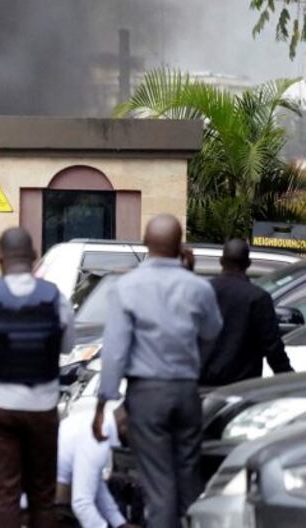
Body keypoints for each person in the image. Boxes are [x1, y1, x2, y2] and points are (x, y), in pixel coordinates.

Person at [94, 214, 222, 528]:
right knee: (188, 476)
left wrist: (103, 405)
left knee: (159, 484)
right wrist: (188, 274)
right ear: (181, 246)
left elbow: (115, 352)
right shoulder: (197, 287)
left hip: (148, 394)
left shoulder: (127, 287)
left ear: (145, 244)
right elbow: (212, 330)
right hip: (187, 392)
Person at [0, 227, 75, 528]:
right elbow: (68, 346)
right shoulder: (54, 298)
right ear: (34, 258)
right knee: (42, 496)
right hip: (42, 409)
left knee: (6, 493)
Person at [201, 238, 293, 386]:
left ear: (221, 261)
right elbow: (273, 349)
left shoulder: (203, 292)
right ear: (248, 264)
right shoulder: (258, 298)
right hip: (242, 389)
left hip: (202, 386)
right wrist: (289, 383)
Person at [56, 405, 137, 528]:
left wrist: (120, 523)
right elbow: (82, 503)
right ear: (125, 423)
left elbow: (95, 485)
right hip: (53, 506)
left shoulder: (94, 422)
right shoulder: (97, 438)